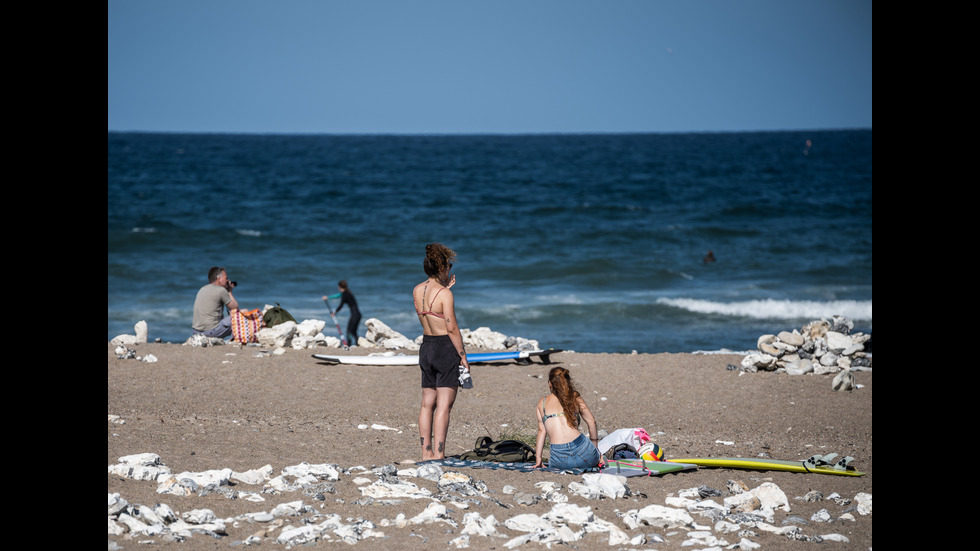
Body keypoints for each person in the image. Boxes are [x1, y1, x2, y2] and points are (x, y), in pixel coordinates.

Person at [413, 243, 469, 460]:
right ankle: (439, 453)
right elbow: (451, 327)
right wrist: (462, 356)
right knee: (444, 405)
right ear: (443, 267)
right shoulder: (445, 294)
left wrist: (445, 288)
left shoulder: (417, 290)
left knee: (427, 403)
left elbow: (429, 313)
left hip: (426, 346)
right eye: (449, 265)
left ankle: (425, 453)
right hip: (444, 347)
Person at [532, 366, 603, 470]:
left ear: (550, 384)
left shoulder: (542, 403)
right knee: (595, 455)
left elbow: (541, 431)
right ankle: (599, 457)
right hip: (585, 455)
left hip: (560, 460)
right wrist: (595, 449)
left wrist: (538, 458)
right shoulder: (574, 396)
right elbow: (591, 421)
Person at [192, 267, 239, 338]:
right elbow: (235, 309)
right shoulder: (221, 290)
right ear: (218, 279)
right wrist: (229, 291)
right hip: (210, 332)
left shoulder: (202, 289)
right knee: (242, 315)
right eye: (226, 278)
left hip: (196, 332)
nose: (228, 280)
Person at [325, 280, 362, 346]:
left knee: (349, 331)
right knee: (353, 331)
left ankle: (349, 345)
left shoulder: (345, 295)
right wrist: (328, 297)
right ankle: (357, 344)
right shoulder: (348, 293)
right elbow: (338, 295)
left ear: (339, 287)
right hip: (358, 315)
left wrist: (334, 312)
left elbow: (341, 305)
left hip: (355, 315)